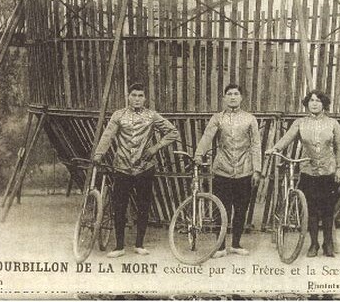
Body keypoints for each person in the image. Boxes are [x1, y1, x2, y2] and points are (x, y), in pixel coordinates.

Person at [93, 83, 180, 258]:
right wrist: (99, 154)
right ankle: (119, 247)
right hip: (122, 167)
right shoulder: (119, 115)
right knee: (119, 206)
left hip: (145, 167)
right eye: (134, 95)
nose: (137, 99)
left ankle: (139, 244)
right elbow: (108, 135)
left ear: (145, 98)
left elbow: (173, 132)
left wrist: (155, 148)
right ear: (128, 96)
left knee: (143, 205)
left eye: (141, 96)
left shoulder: (151, 116)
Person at [266, 90, 340, 258]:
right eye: (311, 101)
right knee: (311, 210)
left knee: (328, 209)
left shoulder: (333, 123)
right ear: (307, 104)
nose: (314, 103)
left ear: (324, 104)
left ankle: (328, 243)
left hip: (328, 171)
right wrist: (276, 148)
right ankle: (314, 244)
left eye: (317, 101)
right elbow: (287, 138)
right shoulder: (300, 122)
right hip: (308, 171)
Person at [194, 84, 262, 258]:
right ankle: (221, 246)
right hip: (222, 170)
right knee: (221, 208)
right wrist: (199, 154)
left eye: (236, 94)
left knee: (241, 209)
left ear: (241, 98)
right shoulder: (217, 118)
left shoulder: (250, 119)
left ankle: (236, 244)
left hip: (245, 170)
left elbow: (255, 145)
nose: (233, 97)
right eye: (229, 94)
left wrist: (257, 170)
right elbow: (207, 137)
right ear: (224, 98)